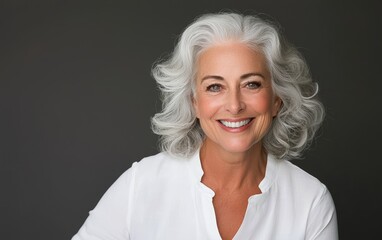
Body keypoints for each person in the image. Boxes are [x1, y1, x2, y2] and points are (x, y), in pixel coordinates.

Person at [72, 12, 338, 240]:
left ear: (277, 100)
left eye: (251, 84)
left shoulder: (310, 201)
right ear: (194, 103)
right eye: (215, 87)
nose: (234, 105)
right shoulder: (141, 184)